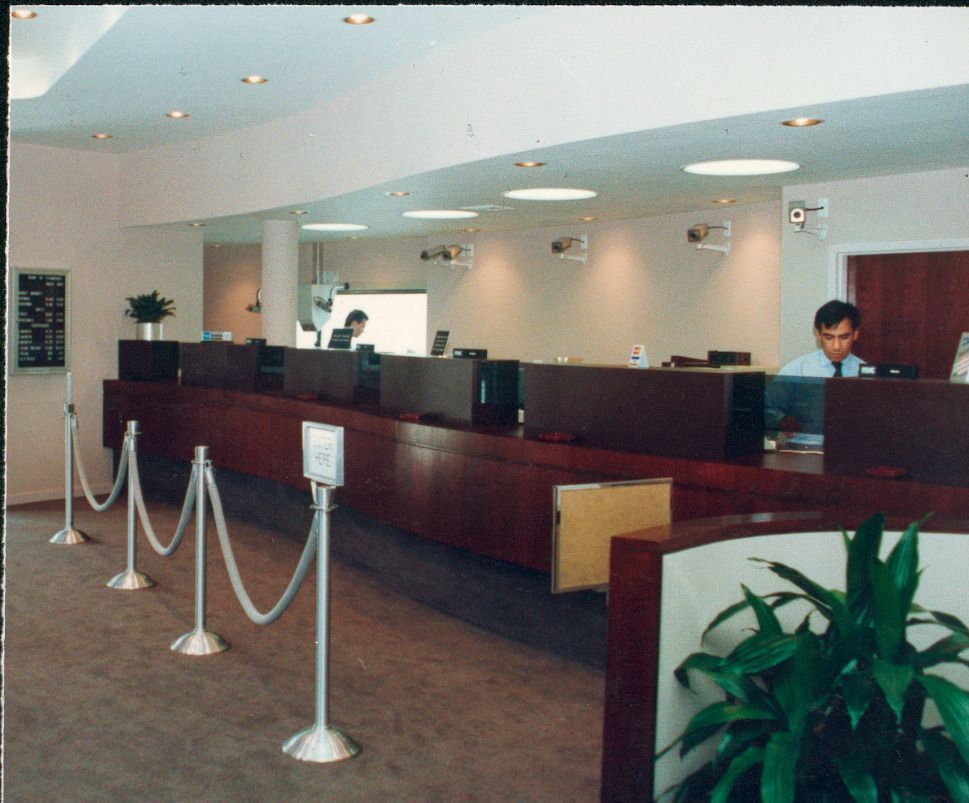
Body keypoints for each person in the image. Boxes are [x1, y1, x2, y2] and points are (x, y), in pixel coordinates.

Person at [765, 300, 865, 435]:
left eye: (844, 337)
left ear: (856, 334)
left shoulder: (866, 373)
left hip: (852, 449)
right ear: (818, 335)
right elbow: (766, 408)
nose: (836, 346)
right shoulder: (797, 370)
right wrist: (782, 420)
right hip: (805, 449)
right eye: (828, 337)